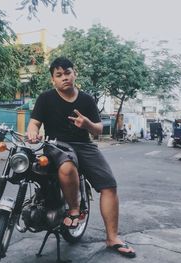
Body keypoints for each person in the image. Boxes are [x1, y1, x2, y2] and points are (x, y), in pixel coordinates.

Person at [27, 57, 136, 258]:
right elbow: (34, 123)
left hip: (84, 146)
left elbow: (98, 130)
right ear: (53, 80)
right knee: (67, 167)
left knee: (109, 185)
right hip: (56, 145)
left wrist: (87, 124)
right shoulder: (45, 98)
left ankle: (113, 237)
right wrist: (32, 132)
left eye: (67, 73)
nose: (64, 78)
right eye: (59, 75)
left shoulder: (86, 100)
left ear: (74, 73)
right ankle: (74, 209)